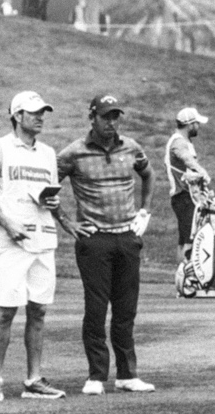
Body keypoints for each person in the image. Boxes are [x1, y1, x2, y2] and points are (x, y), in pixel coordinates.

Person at [0, 91, 70, 402]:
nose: (40, 117)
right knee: (7, 310)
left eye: (43, 112)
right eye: (33, 112)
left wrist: (54, 204)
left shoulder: (47, 154)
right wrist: (7, 224)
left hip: (43, 240)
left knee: (38, 311)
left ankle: (34, 379)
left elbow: (47, 197)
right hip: (11, 242)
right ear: (17, 115)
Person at [57, 93, 155, 394]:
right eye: (105, 117)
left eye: (115, 116)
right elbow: (47, 189)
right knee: (97, 308)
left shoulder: (131, 147)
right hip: (94, 239)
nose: (111, 122)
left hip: (127, 236)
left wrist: (145, 210)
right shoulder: (74, 153)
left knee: (126, 309)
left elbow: (148, 175)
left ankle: (127, 374)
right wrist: (68, 223)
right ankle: (96, 376)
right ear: (92, 118)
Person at [164, 105, 215, 298]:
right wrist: (202, 171)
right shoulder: (179, 142)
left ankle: (186, 279)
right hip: (184, 197)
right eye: (196, 123)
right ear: (189, 125)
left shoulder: (184, 140)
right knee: (188, 240)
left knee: (187, 239)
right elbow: (186, 159)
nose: (198, 126)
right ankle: (187, 281)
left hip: (189, 197)